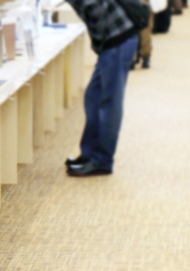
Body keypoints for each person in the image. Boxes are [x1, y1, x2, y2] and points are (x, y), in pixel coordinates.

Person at [64, 0, 141, 177]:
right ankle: (89, 155)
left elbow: (96, 10)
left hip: (117, 38)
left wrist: (99, 45)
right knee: (93, 97)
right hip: (113, 40)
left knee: (109, 102)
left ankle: (102, 160)